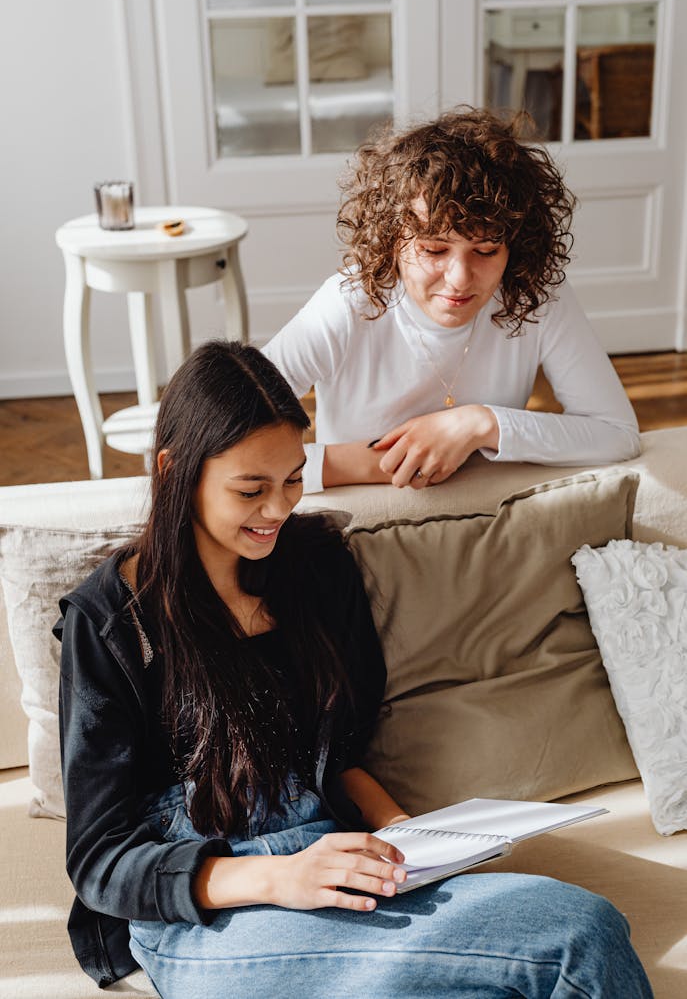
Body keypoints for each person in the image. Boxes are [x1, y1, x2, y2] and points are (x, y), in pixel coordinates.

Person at [56, 341, 652, 999]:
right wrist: (278, 879)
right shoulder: (110, 621)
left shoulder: (316, 568)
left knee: (583, 924)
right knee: (568, 944)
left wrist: (407, 834)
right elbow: (100, 860)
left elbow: (340, 753)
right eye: (250, 489)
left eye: (291, 479)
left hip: (341, 865)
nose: (278, 509)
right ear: (174, 472)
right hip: (203, 917)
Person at [263, 106, 640, 494]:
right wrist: (377, 462)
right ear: (393, 238)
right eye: (434, 249)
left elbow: (618, 434)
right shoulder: (348, 302)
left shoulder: (534, 292)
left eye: (488, 250)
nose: (459, 280)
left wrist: (480, 424)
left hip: (484, 518)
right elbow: (222, 442)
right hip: (356, 522)